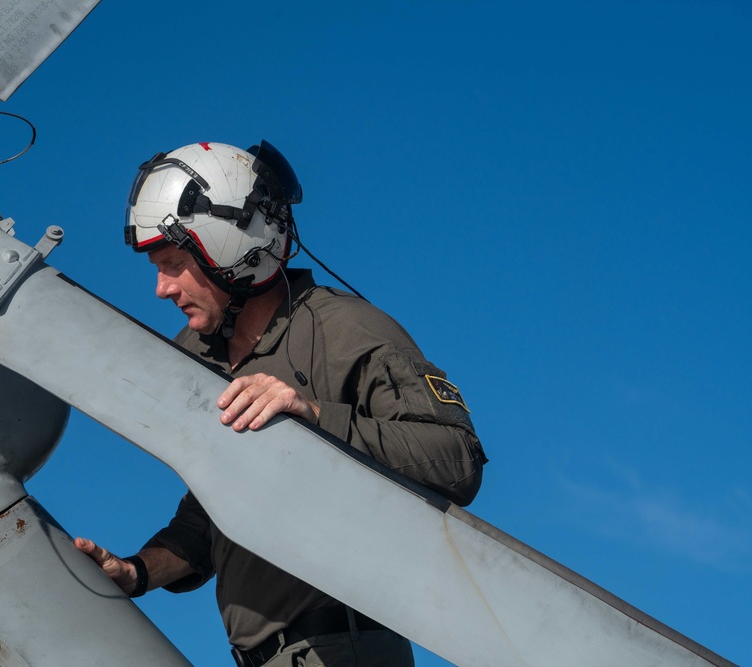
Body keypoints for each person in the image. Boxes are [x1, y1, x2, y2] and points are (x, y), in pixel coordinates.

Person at [75, 140, 487, 667]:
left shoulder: (348, 330)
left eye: (174, 263)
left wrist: (313, 418)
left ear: (229, 247)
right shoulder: (198, 359)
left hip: (343, 648)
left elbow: (457, 457)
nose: (161, 288)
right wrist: (136, 572)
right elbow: (211, 513)